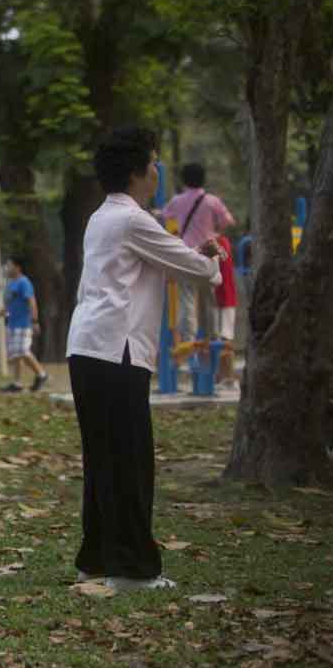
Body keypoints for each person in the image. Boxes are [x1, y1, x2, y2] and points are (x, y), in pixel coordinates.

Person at [68, 127, 224, 590]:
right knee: (130, 459)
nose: (157, 171)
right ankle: (133, 569)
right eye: (153, 163)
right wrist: (212, 259)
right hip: (116, 352)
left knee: (103, 460)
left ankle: (95, 559)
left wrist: (194, 258)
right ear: (137, 171)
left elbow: (163, 260)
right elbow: (196, 270)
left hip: (87, 349)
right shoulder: (134, 220)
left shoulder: (102, 218)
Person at [160, 162, 235, 343]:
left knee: (187, 299)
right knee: (210, 298)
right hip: (209, 252)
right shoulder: (211, 200)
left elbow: (164, 215)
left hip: (187, 254)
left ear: (184, 179)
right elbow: (228, 221)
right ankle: (213, 338)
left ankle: (189, 341)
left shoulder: (177, 200)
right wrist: (214, 230)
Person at [0, 256, 48, 392]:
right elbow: (8, 306)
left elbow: (32, 302)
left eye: (9, 265)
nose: (7, 268)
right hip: (12, 324)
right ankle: (17, 383)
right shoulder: (10, 284)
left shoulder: (24, 282)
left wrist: (35, 321)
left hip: (24, 324)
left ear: (17, 267)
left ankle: (42, 374)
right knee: (16, 354)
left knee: (22, 351)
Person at [212, 233, 239, 394]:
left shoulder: (216, 243)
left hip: (221, 299)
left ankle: (227, 377)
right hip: (225, 298)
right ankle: (222, 377)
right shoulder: (223, 241)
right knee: (223, 338)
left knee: (224, 338)